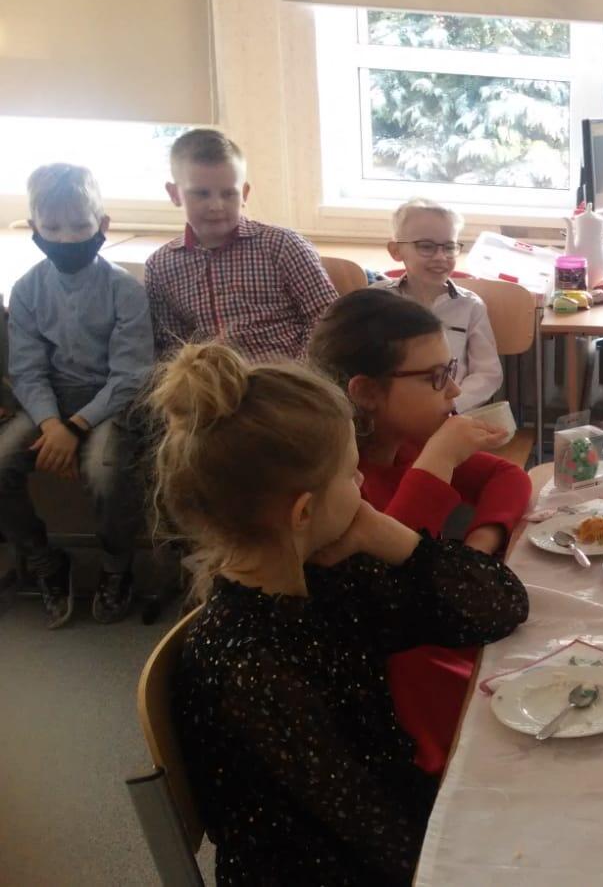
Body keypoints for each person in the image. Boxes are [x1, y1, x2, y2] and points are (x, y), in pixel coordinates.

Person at [157, 342, 528, 884]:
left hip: (401, 832)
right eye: (352, 474)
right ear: (304, 511)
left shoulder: (330, 580)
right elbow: (376, 841)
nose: (362, 486)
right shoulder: (250, 665)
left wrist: (388, 534)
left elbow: (500, 608)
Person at [309, 288, 530, 776]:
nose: (454, 391)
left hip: (442, 650)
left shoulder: (405, 443)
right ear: (366, 392)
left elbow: (507, 477)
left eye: (450, 370)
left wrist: (479, 547)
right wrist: (439, 460)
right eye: (436, 377)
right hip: (400, 716)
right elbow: (376, 580)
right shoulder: (339, 487)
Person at [1, 163, 154, 627]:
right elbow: (26, 370)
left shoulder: (125, 290)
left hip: (110, 405)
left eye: (79, 226)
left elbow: (130, 375)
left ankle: (116, 567)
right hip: (49, 405)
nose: (66, 239)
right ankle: (45, 561)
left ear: (102, 225)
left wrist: (74, 428)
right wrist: (52, 425)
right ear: (34, 229)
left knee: (106, 472)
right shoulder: (27, 290)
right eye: (52, 229)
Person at [144, 128, 337, 361]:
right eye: (201, 194)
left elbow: (327, 320)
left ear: (244, 193)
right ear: (174, 194)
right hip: (212, 380)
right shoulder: (160, 267)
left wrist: (298, 372)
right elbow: (173, 346)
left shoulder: (282, 246)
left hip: (288, 375)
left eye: (228, 194)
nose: (216, 206)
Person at [373, 198, 502, 411]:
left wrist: (451, 405)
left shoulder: (470, 306)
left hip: (451, 413)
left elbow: (487, 373)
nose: (441, 257)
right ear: (396, 251)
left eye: (449, 247)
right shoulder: (377, 300)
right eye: (426, 246)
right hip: (391, 414)